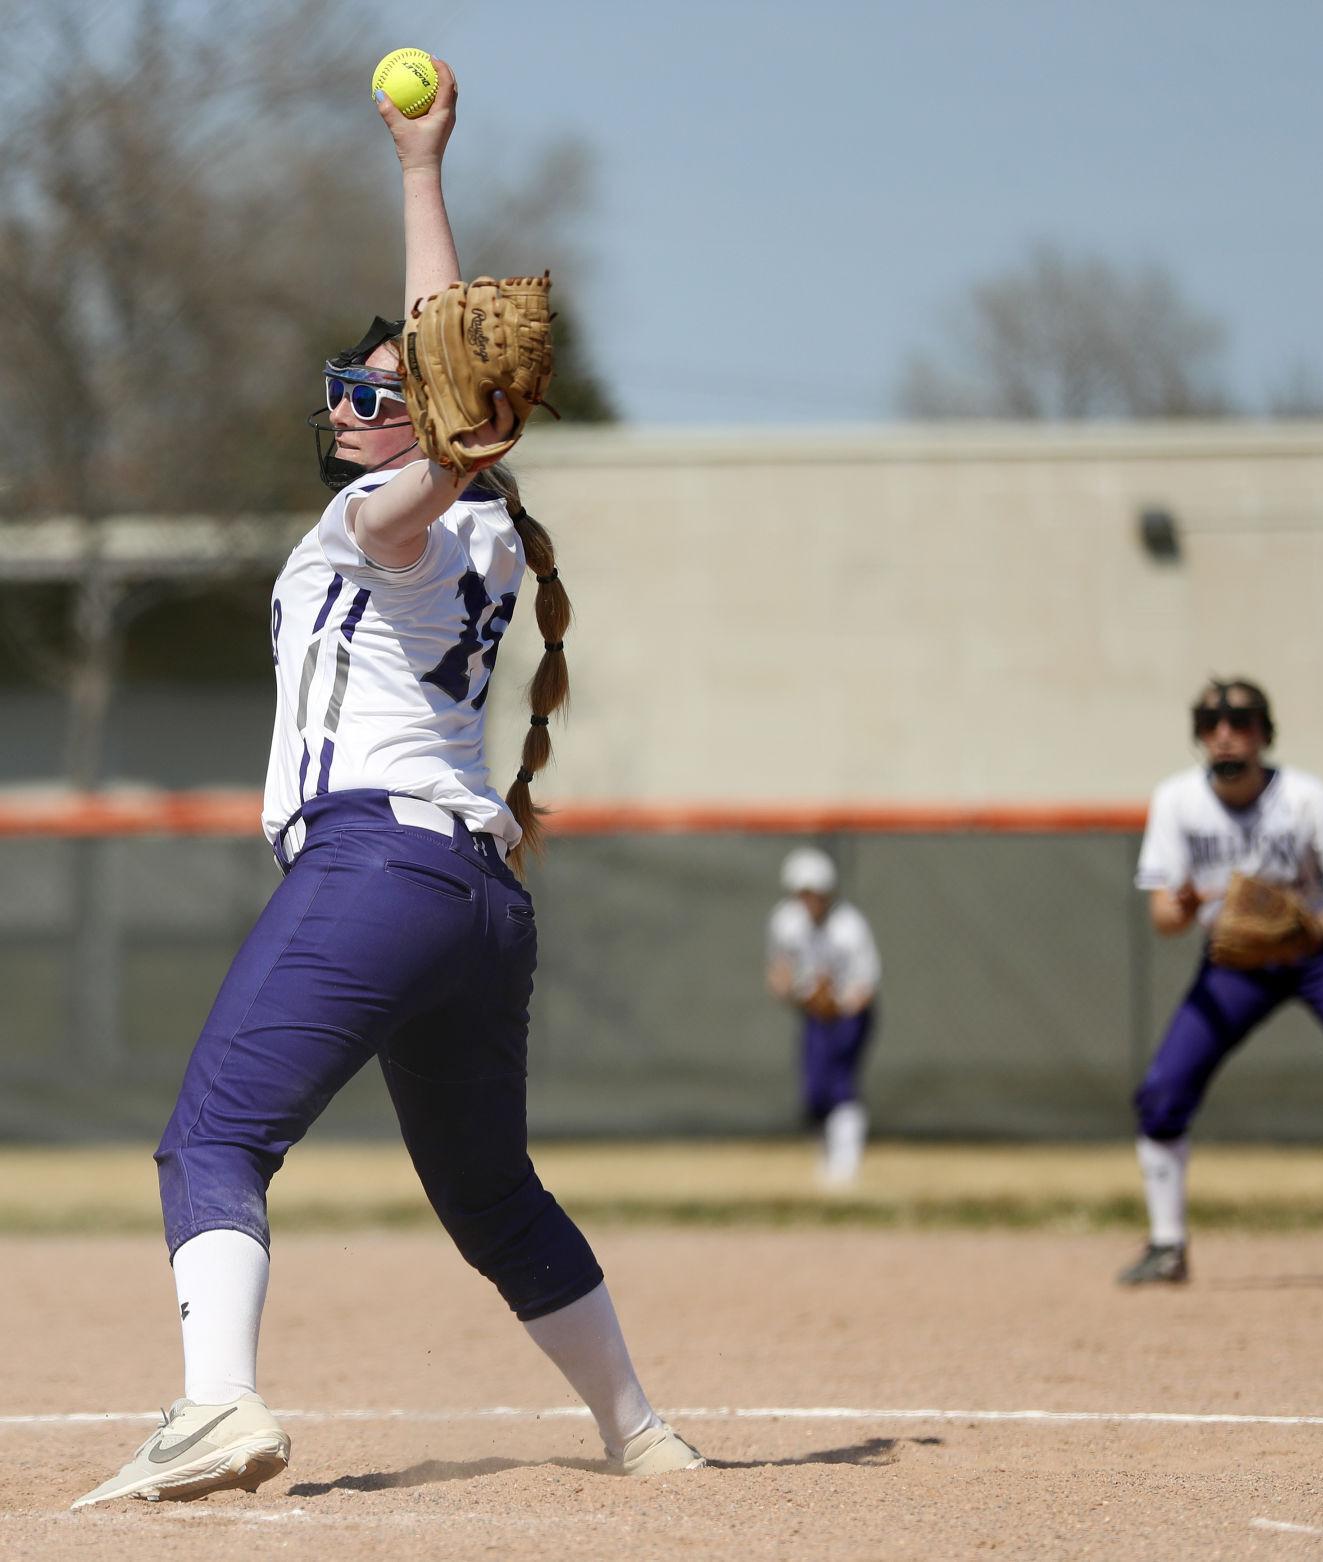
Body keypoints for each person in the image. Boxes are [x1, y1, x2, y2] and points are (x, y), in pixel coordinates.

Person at [73, 59, 703, 1509]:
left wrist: (424, 202)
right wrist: (420, 177)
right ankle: (640, 1431)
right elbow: (448, 389)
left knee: (213, 1138)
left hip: (377, 868)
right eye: (354, 391)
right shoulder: (480, 535)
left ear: (416, 425)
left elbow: (440, 417)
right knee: (490, 1191)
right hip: (480, 900)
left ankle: (213, 1406)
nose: (356, 407)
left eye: (377, 394)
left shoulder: (387, 520)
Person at [1119, 677, 1323, 1285]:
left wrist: (1304, 926)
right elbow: (1164, 919)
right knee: (1162, 1092)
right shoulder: (1178, 801)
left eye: (1240, 721)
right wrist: (1181, 907)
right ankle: (1166, 1245)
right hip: (1233, 963)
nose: (1226, 732)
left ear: (1265, 733)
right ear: (1200, 737)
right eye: (1212, 724)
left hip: (1315, 956)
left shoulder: (1308, 799)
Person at [766, 847, 881, 1185]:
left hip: (848, 1014)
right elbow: (779, 973)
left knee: (841, 1084)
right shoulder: (785, 922)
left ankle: (846, 1168)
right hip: (813, 1015)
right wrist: (800, 996)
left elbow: (866, 986)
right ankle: (827, 1158)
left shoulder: (850, 927)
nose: (809, 901)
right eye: (802, 894)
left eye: (814, 894)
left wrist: (835, 1004)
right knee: (815, 1090)